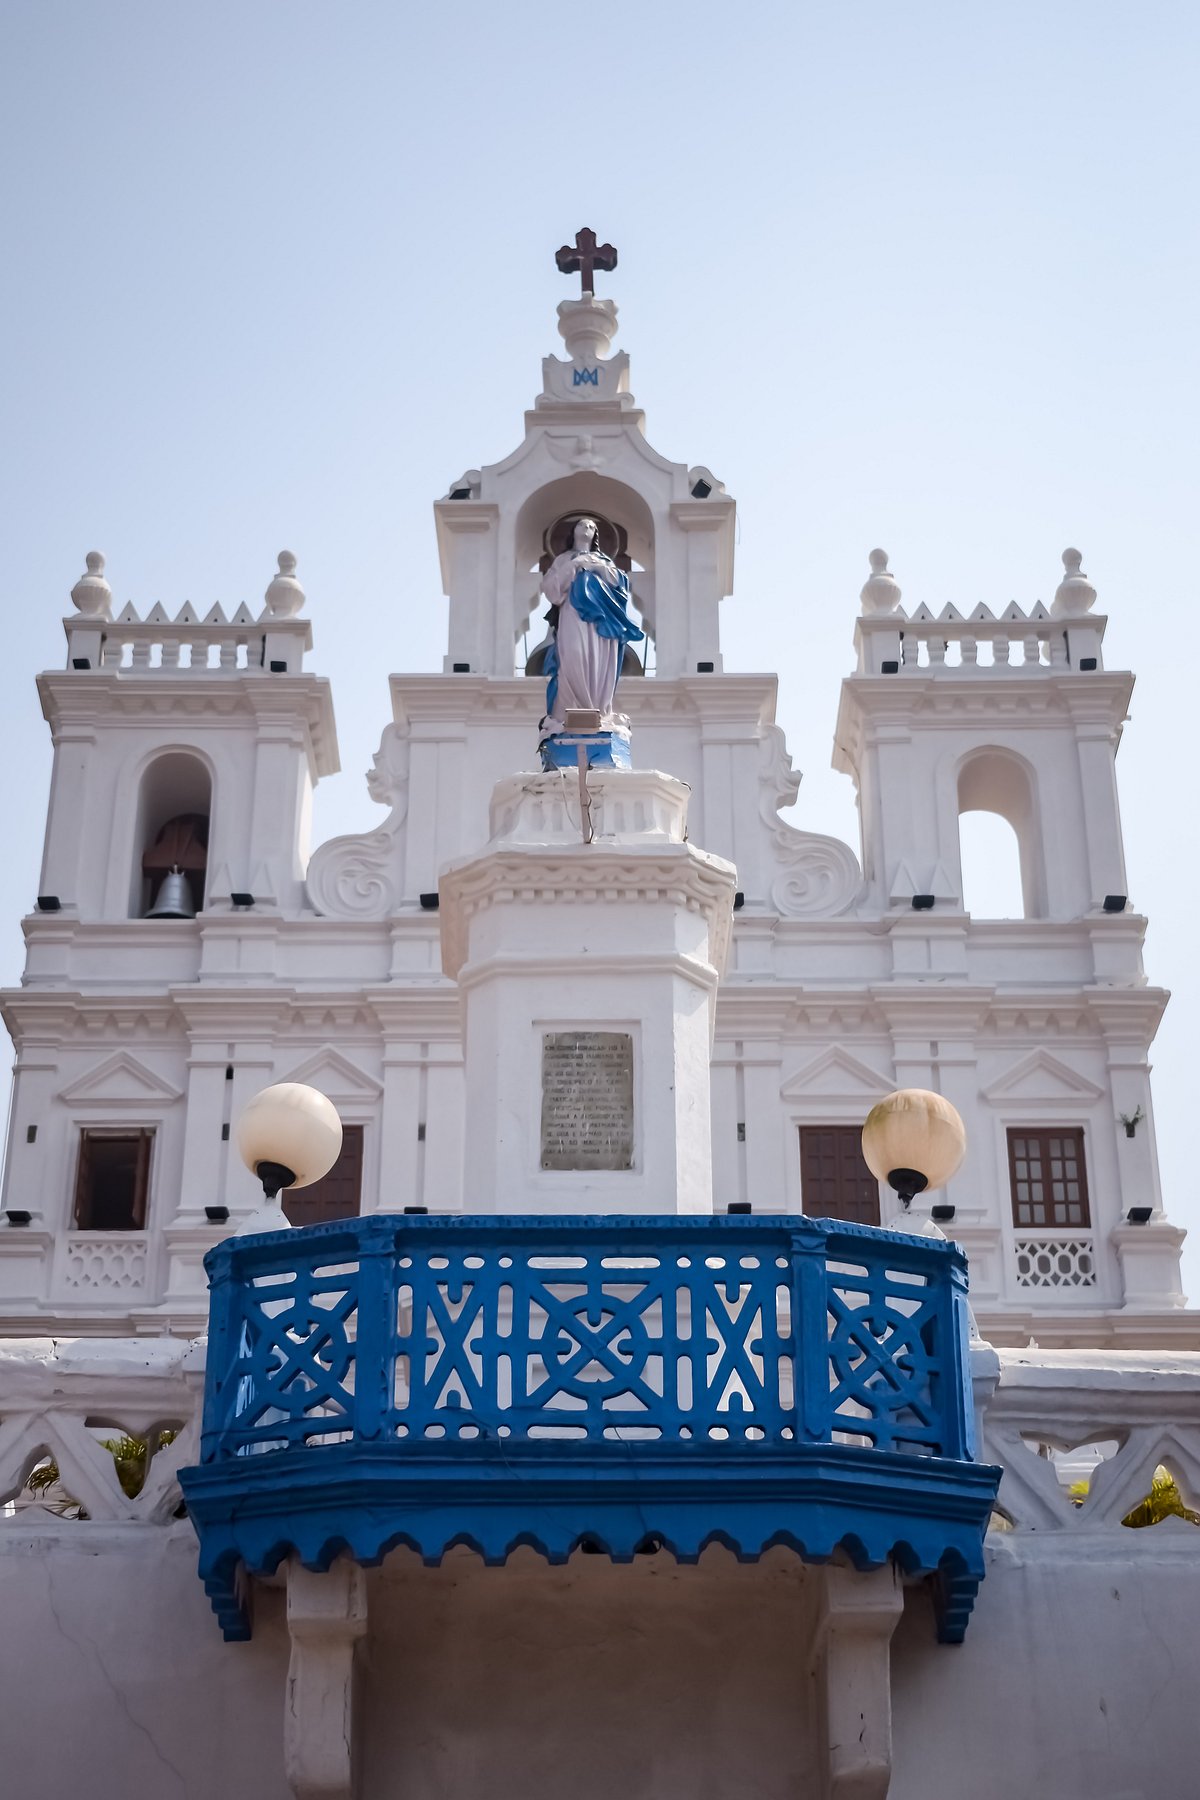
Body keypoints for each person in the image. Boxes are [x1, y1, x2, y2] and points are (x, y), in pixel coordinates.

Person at [541, 516, 643, 731]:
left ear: (595, 534)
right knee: (574, 654)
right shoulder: (563, 560)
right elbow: (551, 588)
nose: (586, 528)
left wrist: (598, 568)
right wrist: (575, 564)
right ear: (573, 531)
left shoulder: (604, 560)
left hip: (601, 624)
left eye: (591, 526)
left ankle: (598, 709)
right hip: (573, 616)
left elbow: (619, 583)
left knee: (599, 661)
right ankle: (569, 708)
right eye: (581, 525)